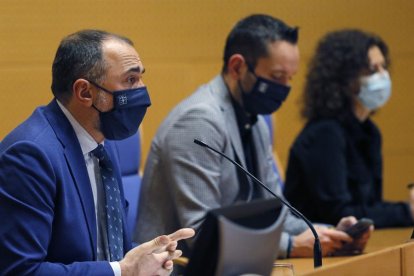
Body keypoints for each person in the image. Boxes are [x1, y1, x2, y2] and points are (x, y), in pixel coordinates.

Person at [134, 15, 370, 259]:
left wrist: (328, 235)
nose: (285, 88)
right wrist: (290, 246)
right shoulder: (197, 121)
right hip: (179, 268)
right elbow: (201, 234)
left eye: (290, 78)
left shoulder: (254, 119)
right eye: (277, 76)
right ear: (237, 67)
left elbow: (277, 214)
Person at [0, 30, 194, 275]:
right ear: (84, 92)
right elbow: (21, 271)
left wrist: (145, 260)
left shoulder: (103, 138)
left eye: (141, 79)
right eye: (130, 80)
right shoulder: (29, 156)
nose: (142, 92)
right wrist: (122, 271)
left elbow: (105, 247)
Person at [284, 29, 414, 228]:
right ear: (344, 80)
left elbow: (370, 207)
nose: (383, 76)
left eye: (383, 67)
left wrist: (407, 209)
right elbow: (339, 214)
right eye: (372, 70)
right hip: (314, 250)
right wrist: (407, 212)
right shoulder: (324, 134)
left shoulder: (370, 132)